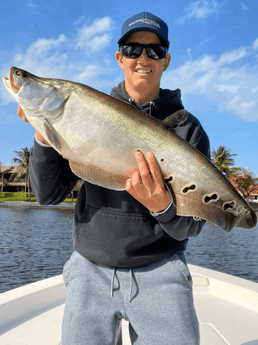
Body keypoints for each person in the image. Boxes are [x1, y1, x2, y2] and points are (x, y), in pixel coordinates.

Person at [18, 12, 210, 345]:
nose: (143, 58)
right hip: (88, 270)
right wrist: (42, 137)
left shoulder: (188, 129)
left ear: (166, 60)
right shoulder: (83, 112)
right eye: (133, 49)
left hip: (162, 270)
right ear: (120, 57)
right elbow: (47, 196)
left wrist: (164, 207)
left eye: (154, 51)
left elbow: (192, 225)